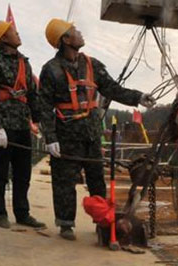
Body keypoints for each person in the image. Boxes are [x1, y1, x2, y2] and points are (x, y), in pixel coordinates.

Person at [38, 19, 156, 241]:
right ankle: (65, 224)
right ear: (65, 39)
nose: (79, 32)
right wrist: (49, 137)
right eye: (74, 31)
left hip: (92, 135)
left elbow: (113, 89)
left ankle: (103, 223)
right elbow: (44, 106)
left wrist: (138, 97)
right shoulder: (50, 70)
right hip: (66, 136)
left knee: (97, 181)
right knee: (64, 181)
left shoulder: (92, 65)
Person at [0, 20, 46, 230]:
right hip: (4, 126)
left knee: (23, 173)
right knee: (0, 172)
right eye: (12, 31)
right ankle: (0, 213)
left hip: (21, 125)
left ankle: (22, 213)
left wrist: (37, 120)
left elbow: (32, 94)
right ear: (3, 38)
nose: (17, 33)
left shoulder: (24, 63)